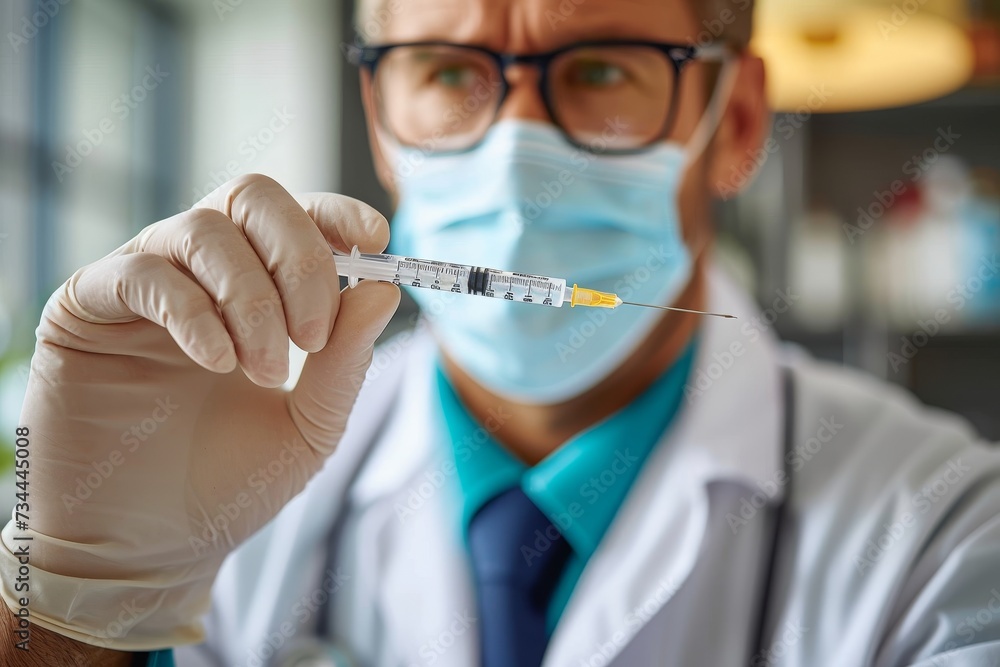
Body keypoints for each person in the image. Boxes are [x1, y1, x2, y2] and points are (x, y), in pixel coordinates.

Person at [3, 0, 1000, 665]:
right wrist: (63, 605)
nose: (517, 144)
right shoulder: (218, 477)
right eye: (448, 70)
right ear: (381, 120)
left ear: (735, 121)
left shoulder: (945, 534)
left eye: (599, 68)